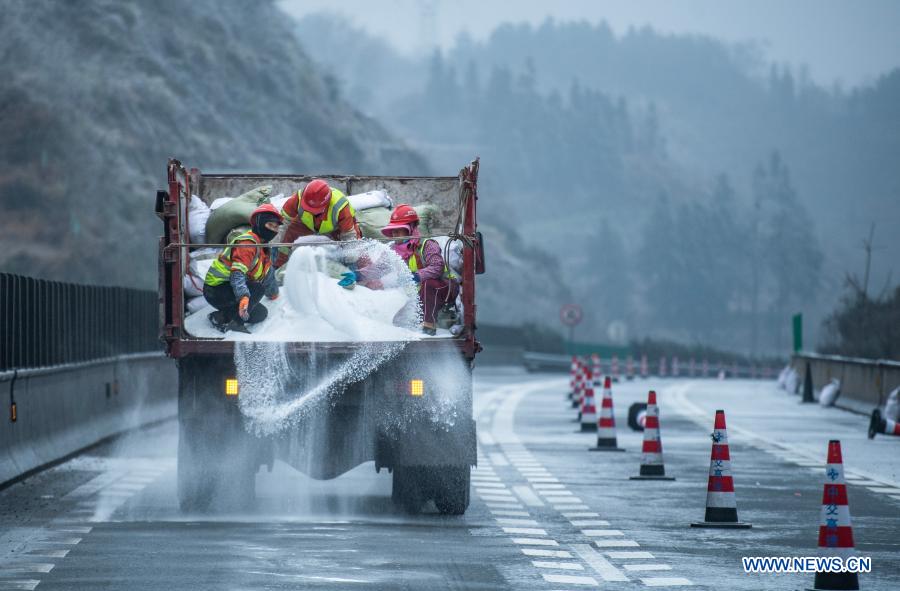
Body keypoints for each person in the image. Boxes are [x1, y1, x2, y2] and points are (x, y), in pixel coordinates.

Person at [381, 204, 458, 335]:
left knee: (429, 284)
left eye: (399, 230)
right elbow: (378, 268)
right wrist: (357, 275)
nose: (395, 234)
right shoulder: (392, 250)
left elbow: (437, 268)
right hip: (420, 294)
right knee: (398, 322)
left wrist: (415, 276)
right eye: (393, 231)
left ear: (411, 229)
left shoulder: (427, 245)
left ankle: (429, 325)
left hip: (446, 288)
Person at [203, 204, 281, 333]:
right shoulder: (247, 243)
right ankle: (236, 324)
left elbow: (267, 274)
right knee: (257, 288)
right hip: (217, 290)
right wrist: (244, 297)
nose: (273, 230)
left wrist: (273, 293)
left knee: (260, 314)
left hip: (231, 290)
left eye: (275, 227)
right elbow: (237, 274)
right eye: (269, 225)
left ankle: (219, 317)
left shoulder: (264, 248)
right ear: (259, 223)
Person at [274, 179, 361, 268]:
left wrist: (350, 260)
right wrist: (276, 244)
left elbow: (348, 235)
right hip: (306, 223)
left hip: (336, 228)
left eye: (313, 210)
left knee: (354, 252)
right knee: (287, 235)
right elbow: (282, 222)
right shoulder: (298, 198)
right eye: (307, 208)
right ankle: (278, 266)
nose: (310, 211)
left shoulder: (340, 207)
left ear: (326, 204)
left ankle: (351, 273)